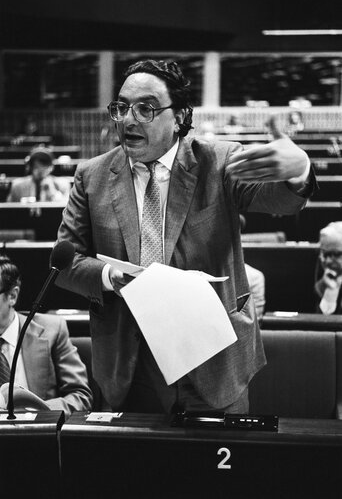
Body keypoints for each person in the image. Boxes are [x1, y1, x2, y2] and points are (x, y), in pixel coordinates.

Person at [55, 59, 316, 415]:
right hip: (131, 363)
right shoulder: (92, 176)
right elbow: (65, 262)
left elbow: (282, 201)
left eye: (146, 108)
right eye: (122, 107)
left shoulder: (219, 161)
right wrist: (108, 277)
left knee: (216, 468)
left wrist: (299, 171)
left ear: (178, 117)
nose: (129, 119)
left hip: (213, 359)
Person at [0, 254, 93, 416]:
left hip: (39, 434)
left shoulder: (52, 330)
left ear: (12, 296)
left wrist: (38, 412)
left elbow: (80, 396)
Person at [314, 221, 342, 315]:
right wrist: (328, 292)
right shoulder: (322, 281)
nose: (328, 261)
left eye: (337, 254)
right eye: (325, 254)